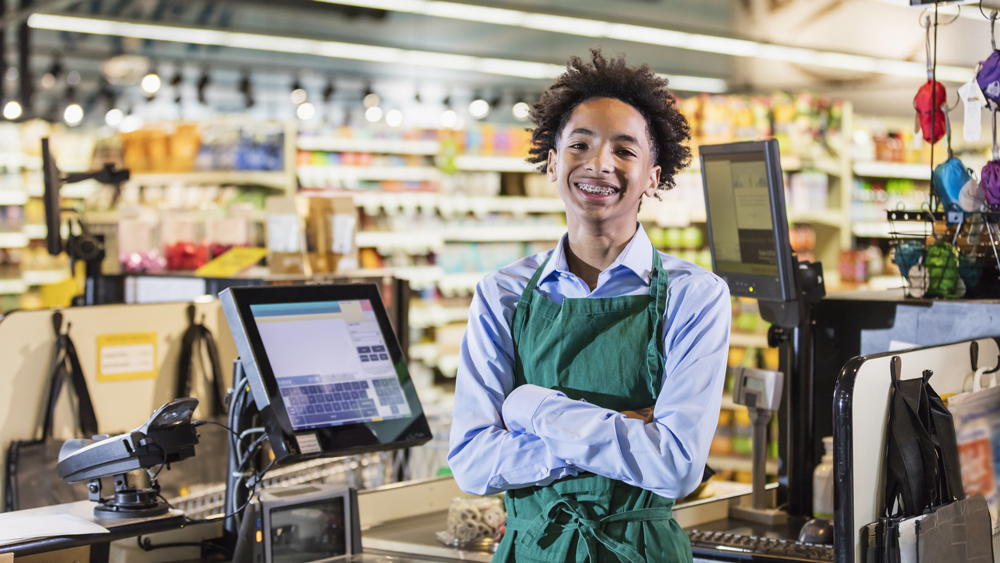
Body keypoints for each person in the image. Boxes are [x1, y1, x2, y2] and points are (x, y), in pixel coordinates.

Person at [448, 49, 731, 563]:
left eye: (625, 151)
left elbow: (676, 467)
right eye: (580, 144)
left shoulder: (695, 295)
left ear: (653, 176)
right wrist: (625, 431)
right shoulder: (503, 293)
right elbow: (471, 463)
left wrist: (531, 408)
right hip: (530, 550)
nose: (599, 162)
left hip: (641, 552)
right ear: (554, 162)